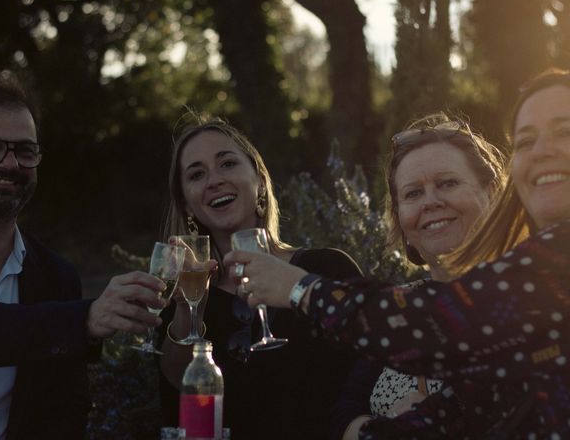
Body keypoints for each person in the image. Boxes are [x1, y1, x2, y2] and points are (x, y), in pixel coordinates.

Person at [224, 68, 570, 438]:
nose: (543, 151)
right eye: (526, 141)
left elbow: (432, 327)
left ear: (492, 191)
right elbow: (457, 414)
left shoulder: (545, 272)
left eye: (564, 132)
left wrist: (301, 288)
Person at [0, 74, 166, 440]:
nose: (10, 164)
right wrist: (85, 318)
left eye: (25, 151)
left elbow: (66, 412)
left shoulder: (57, 277)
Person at [158, 117, 363, 440]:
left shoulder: (327, 268)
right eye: (197, 174)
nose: (214, 180)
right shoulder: (186, 297)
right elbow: (179, 389)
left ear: (260, 182)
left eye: (227, 163)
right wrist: (187, 307)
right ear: (187, 205)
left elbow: (369, 374)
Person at [332, 113, 506, 439]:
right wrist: (382, 429)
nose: (431, 202)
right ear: (402, 222)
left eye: (447, 183)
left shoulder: (536, 296)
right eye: (413, 193)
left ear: (491, 193)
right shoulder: (394, 311)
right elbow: (343, 418)